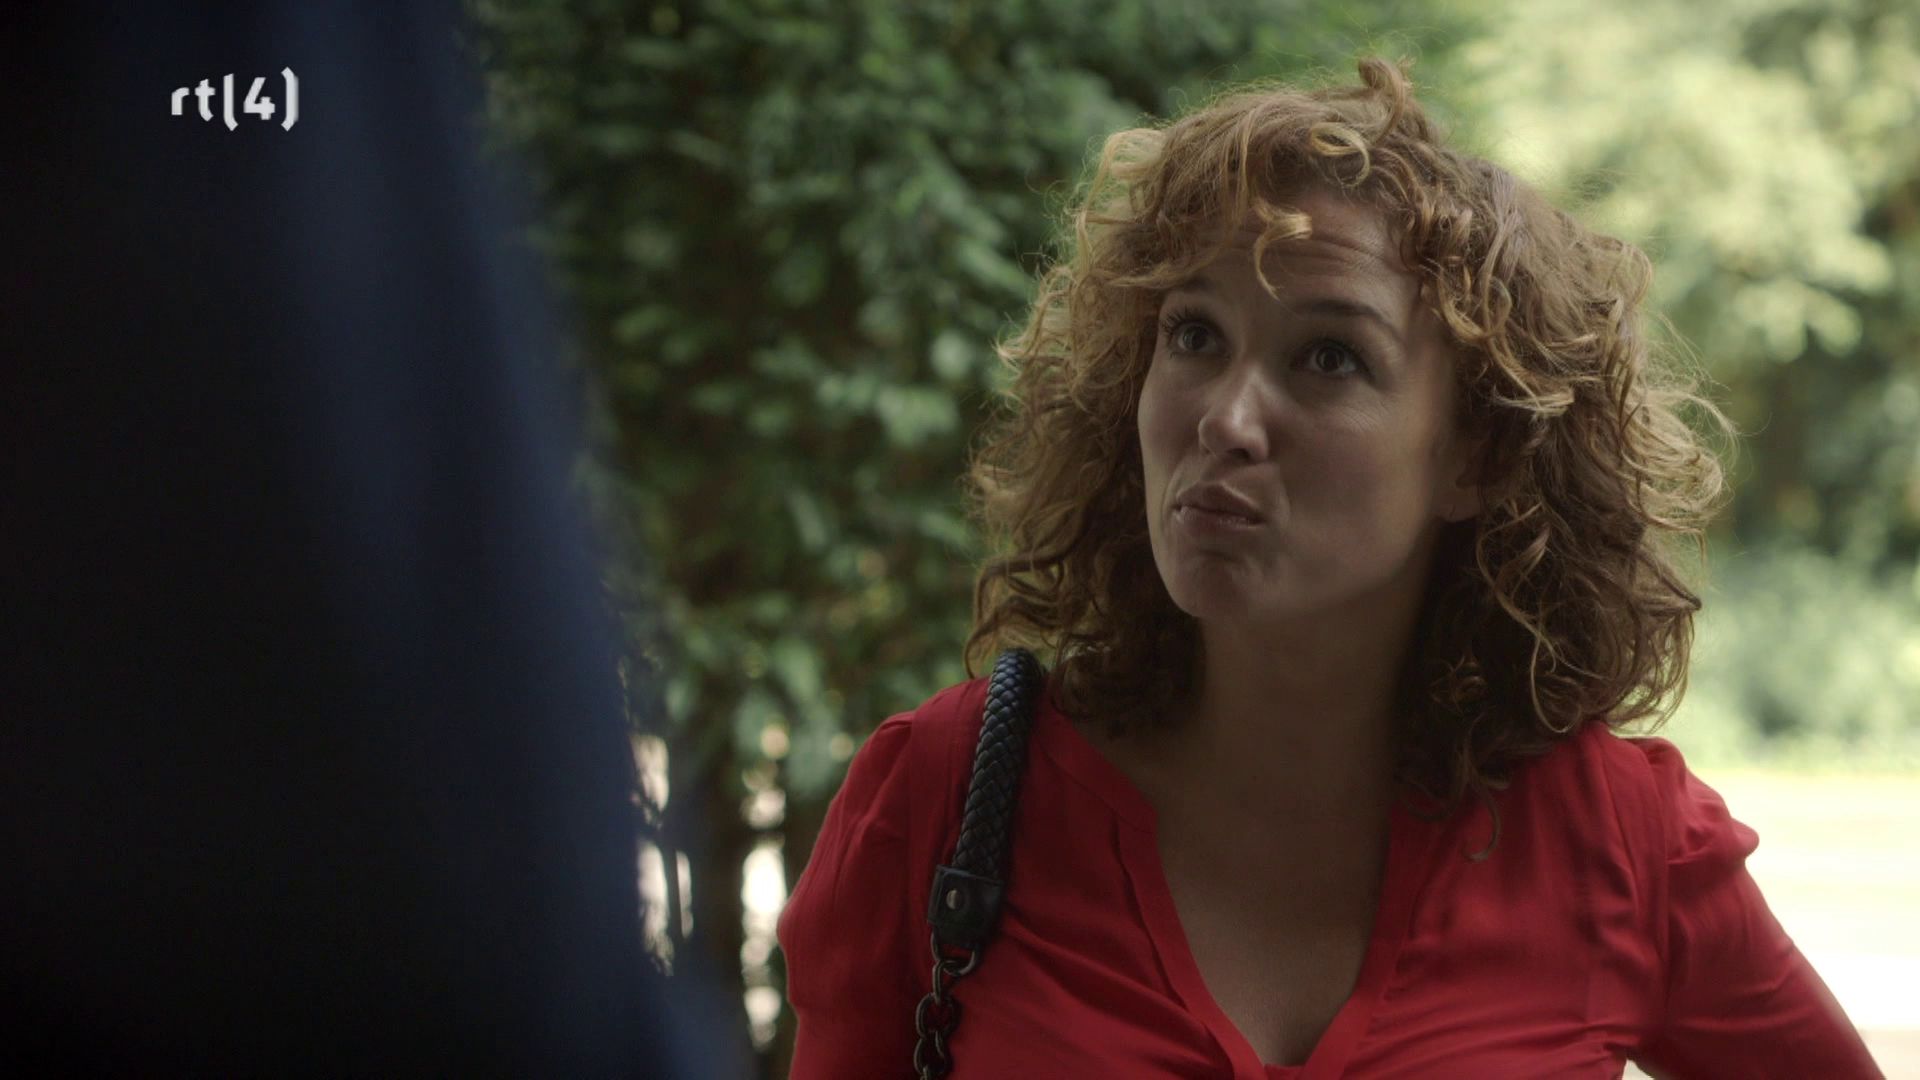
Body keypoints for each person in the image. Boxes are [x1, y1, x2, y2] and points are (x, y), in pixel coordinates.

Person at [775, 58, 1882, 1078]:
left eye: (1330, 357)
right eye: (1194, 334)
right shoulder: (943, 795)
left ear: (1478, 455)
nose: (1227, 419)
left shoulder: (1618, 841)